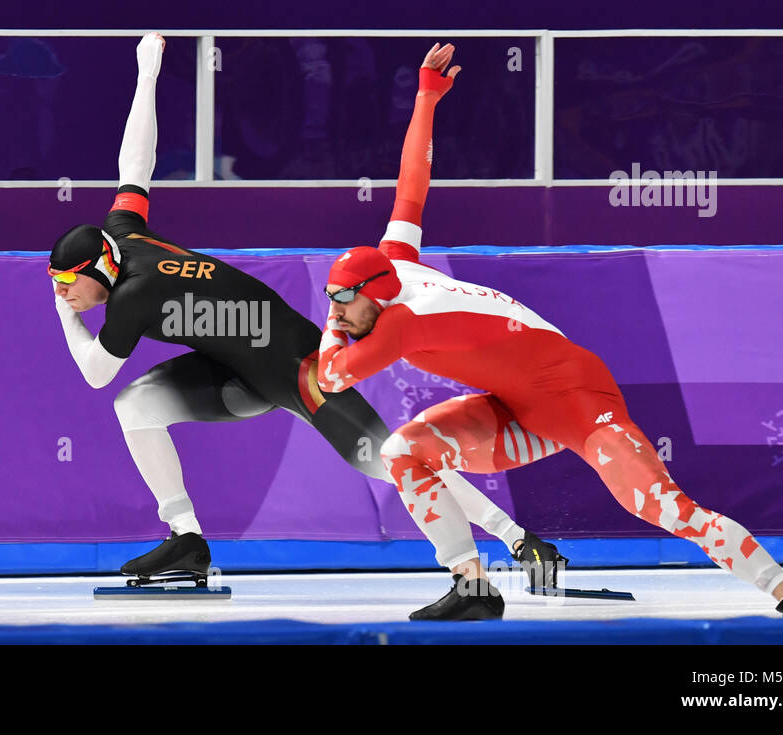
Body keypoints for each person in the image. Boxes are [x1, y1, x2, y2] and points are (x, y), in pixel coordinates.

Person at [316, 43, 783, 620]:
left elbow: (332, 378)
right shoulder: (396, 259)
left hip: (581, 403)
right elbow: (413, 180)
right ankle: (473, 589)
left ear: (377, 294)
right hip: (515, 407)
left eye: (343, 299)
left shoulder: (401, 324)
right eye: (332, 299)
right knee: (404, 453)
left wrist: (329, 327)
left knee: (666, 508)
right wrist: (426, 97)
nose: (337, 309)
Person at [50, 34, 564, 588]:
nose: (63, 294)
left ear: (101, 271)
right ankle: (186, 539)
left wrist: (65, 316)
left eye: (68, 284)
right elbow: (135, 164)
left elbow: (93, 372)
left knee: (389, 456)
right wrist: (147, 74)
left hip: (296, 367)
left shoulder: (133, 296)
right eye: (56, 286)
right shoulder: (122, 235)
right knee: (136, 408)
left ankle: (518, 540)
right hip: (233, 368)